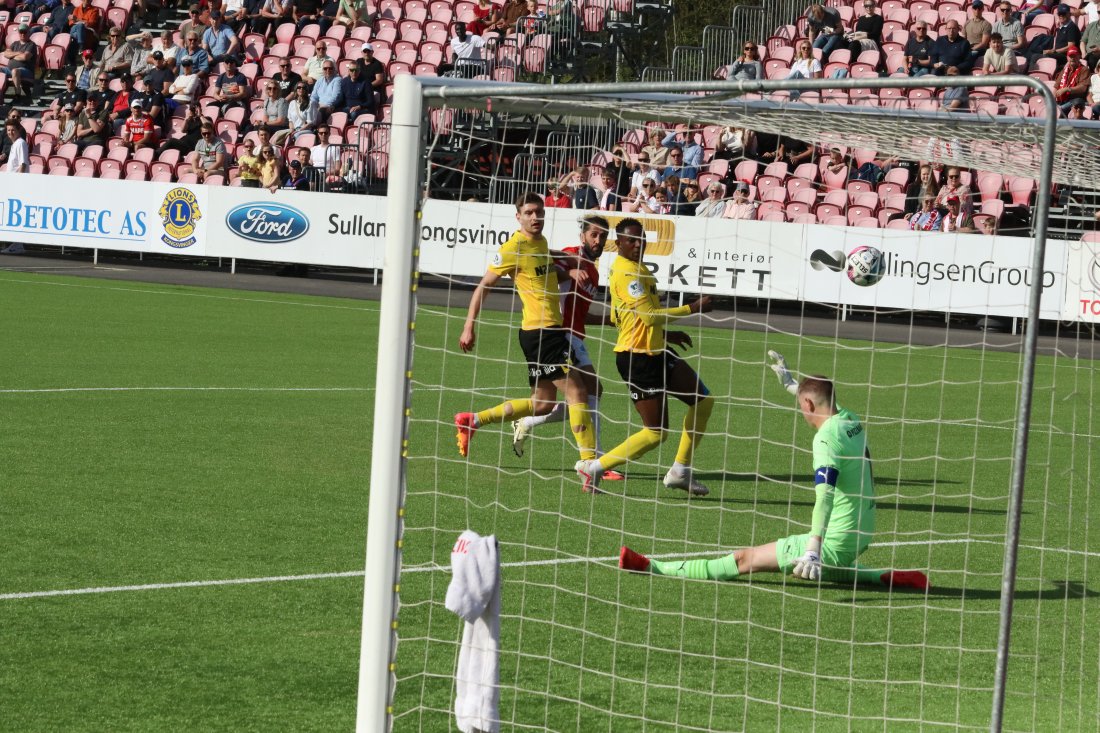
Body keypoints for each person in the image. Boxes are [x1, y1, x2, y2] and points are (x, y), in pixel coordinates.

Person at [619, 354, 929, 593]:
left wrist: (812, 550)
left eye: (801, 405)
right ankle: (885, 576)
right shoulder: (850, 419)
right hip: (862, 533)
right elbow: (821, 397)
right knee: (831, 569)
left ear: (808, 404)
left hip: (836, 540)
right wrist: (791, 384)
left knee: (745, 560)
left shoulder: (825, 439)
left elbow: (825, 498)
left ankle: (652, 567)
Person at [454, 193, 598, 478]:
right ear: (518, 216)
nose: (536, 218)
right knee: (577, 391)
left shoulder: (540, 241)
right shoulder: (512, 249)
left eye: (540, 213)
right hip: (540, 332)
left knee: (543, 403)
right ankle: (589, 465)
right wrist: (469, 325)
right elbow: (483, 286)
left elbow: (547, 258)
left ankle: (472, 420)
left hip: (546, 332)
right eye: (530, 213)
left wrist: (571, 263)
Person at [573, 218, 714, 495]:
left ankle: (680, 471)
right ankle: (592, 468)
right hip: (636, 358)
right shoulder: (626, 273)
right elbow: (648, 317)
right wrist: (692, 307)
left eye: (642, 239)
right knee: (655, 433)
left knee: (704, 400)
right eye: (632, 240)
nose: (638, 244)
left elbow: (618, 316)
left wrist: (665, 336)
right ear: (619, 243)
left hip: (657, 350)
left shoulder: (640, 269)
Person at [511, 216, 624, 481]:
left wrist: (614, 319)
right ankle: (596, 460)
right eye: (593, 235)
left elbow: (583, 314)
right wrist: (568, 267)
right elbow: (540, 259)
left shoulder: (594, 273)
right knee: (583, 393)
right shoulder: (569, 256)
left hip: (576, 337)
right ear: (582, 236)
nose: (598, 241)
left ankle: (527, 422)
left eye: (602, 237)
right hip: (556, 334)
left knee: (583, 395)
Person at [3, 25, 38, 103]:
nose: (23, 34)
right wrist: (18, 53)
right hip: (9, 69)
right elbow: (5, 54)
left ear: (29, 33)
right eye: (21, 32)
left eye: (25, 32)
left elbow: (25, 57)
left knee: (15, 71)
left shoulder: (31, 45)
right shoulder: (15, 43)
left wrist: (12, 56)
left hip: (27, 71)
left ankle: (17, 95)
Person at [1055, 46, 1089, 116]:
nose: (1072, 58)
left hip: (1074, 100)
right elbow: (1056, 87)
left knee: (1077, 101)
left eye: (1074, 56)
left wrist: (1067, 89)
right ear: (1067, 58)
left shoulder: (1084, 69)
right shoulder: (1064, 70)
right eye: (1070, 56)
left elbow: (1083, 88)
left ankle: (1060, 110)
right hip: (1062, 100)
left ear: (1079, 56)